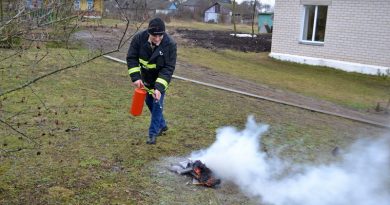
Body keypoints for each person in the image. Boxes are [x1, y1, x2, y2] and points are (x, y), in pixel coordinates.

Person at [126, 17, 177, 145]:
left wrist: (159, 88)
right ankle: (163, 124)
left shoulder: (170, 45)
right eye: (155, 35)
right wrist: (136, 78)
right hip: (145, 79)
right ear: (149, 33)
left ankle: (153, 133)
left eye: (161, 35)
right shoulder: (138, 39)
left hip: (160, 80)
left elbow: (168, 68)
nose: (158, 38)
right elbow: (131, 58)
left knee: (156, 104)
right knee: (149, 102)